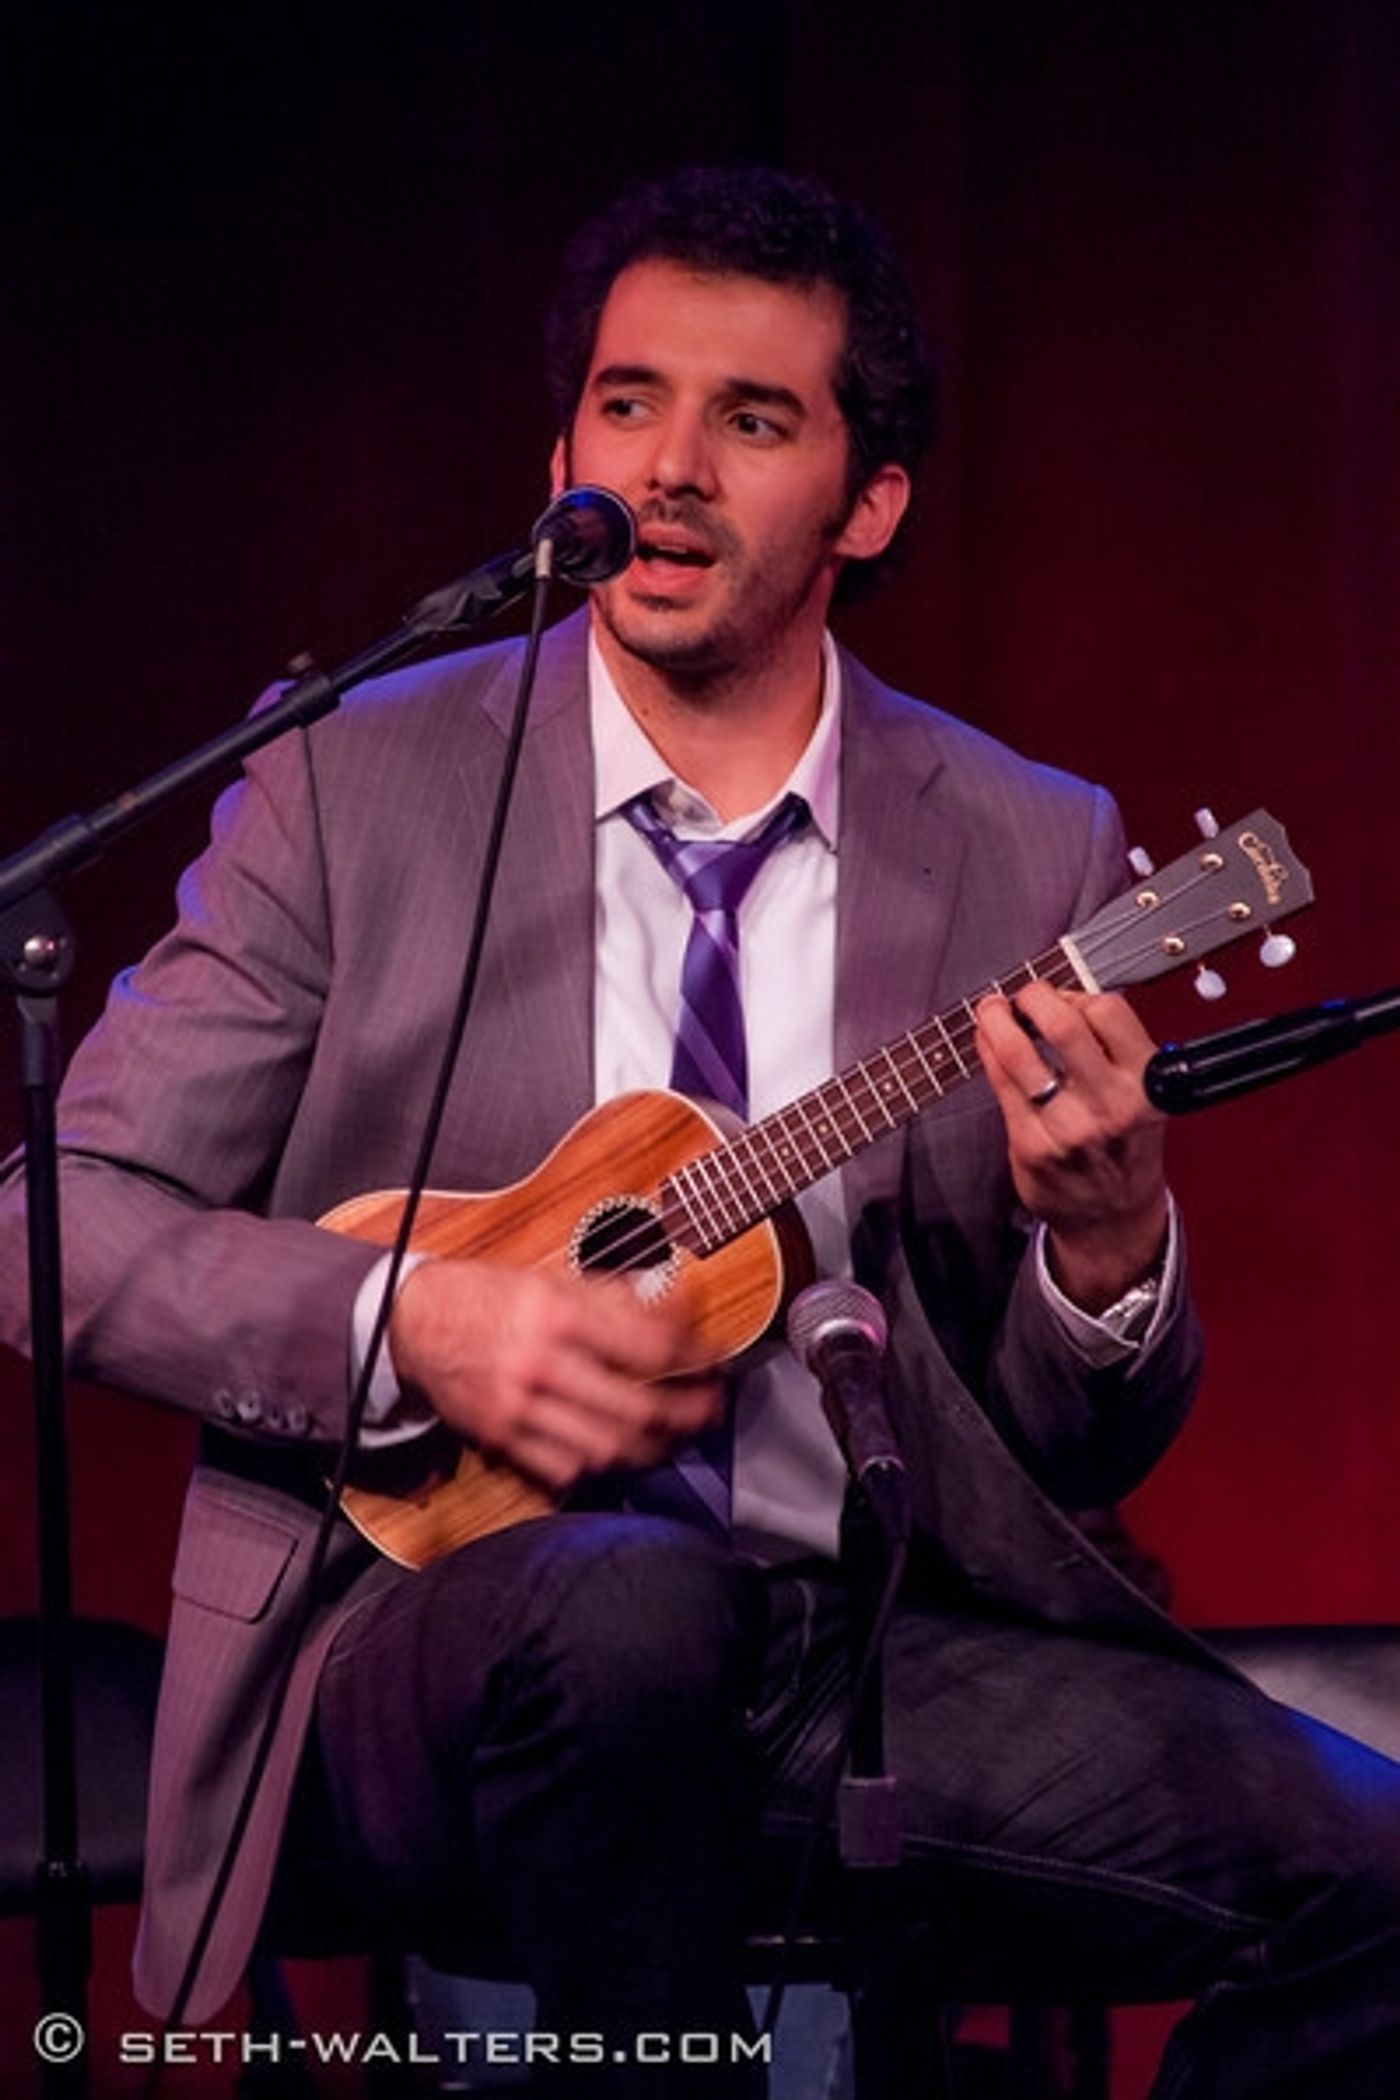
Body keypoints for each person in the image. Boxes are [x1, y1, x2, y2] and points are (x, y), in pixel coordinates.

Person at [3, 164, 1399, 2097]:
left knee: (1377, 1871)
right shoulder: (354, 780)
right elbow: (46, 1217)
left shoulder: (1023, 841)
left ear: (869, 498)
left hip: (850, 1645)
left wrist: (1101, 1255)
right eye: (628, 403)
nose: (667, 468)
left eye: (752, 421)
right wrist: (412, 1324)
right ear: (562, 444)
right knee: (628, 1607)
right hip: (403, 1639)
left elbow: (1072, 1442)